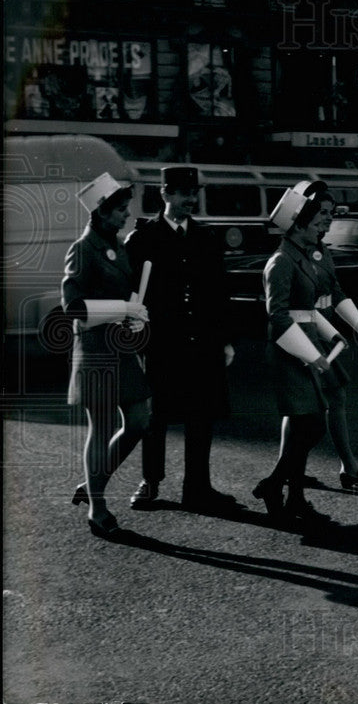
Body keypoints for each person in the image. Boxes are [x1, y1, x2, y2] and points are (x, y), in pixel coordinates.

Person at [124, 166, 237, 513]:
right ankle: (150, 482)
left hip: (202, 340)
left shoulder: (206, 238)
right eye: (184, 193)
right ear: (165, 194)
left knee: (201, 414)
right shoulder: (142, 239)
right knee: (156, 415)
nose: (191, 200)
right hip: (160, 341)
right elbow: (131, 293)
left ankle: (197, 487)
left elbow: (219, 294)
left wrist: (225, 339)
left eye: (194, 193)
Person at [63, 173, 150, 536]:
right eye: (120, 210)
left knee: (139, 421)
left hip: (121, 349)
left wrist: (134, 319)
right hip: (96, 351)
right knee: (101, 429)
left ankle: (92, 482)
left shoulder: (119, 245)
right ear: (100, 212)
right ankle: (97, 508)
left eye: (126, 208)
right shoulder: (82, 249)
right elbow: (73, 308)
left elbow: (127, 295)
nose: (126, 215)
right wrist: (122, 310)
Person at [251, 188, 344, 523]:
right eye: (313, 225)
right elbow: (277, 316)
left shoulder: (302, 257)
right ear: (296, 227)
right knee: (314, 423)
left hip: (306, 348)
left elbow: (310, 307)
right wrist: (311, 355)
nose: (320, 230)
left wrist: (330, 337)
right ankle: (276, 485)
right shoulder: (280, 262)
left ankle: (292, 495)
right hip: (289, 352)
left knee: (305, 421)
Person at [293, 180, 358, 491]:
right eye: (322, 212)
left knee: (322, 402)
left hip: (325, 330)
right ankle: (342, 468)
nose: (329, 218)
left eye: (332, 212)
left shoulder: (322, 250)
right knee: (308, 407)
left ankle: (338, 467)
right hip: (305, 332)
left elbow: (337, 292)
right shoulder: (295, 250)